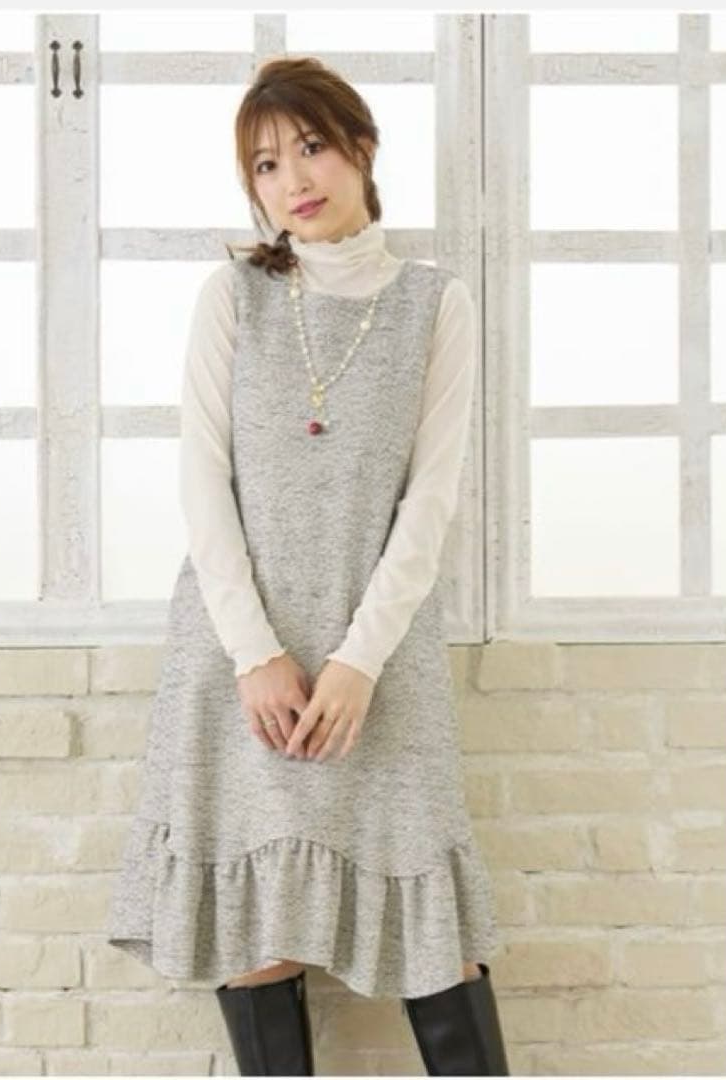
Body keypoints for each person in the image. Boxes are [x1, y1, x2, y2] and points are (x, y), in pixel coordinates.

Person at [106, 55, 509, 1076]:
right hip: (240, 655)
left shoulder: (435, 304)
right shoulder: (233, 298)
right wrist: (255, 655)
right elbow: (203, 486)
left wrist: (358, 662)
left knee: (433, 940)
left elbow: (430, 502)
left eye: (311, 147)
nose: (292, 179)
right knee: (257, 935)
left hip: (378, 655)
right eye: (265, 164)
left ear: (361, 147)